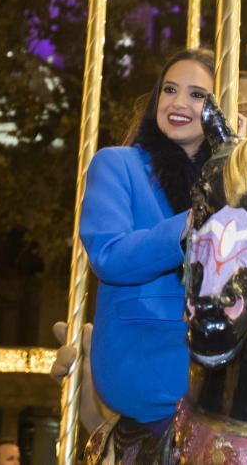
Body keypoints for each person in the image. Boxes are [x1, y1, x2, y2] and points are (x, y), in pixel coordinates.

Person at [80, 48, 236, 434]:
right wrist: (188, 224)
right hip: (145, 350)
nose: (179, 102)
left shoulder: (223, 181)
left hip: (213, 346)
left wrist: (238, 170)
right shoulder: (117, 165)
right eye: (170, 90)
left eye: (198, 95)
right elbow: (109, 255)